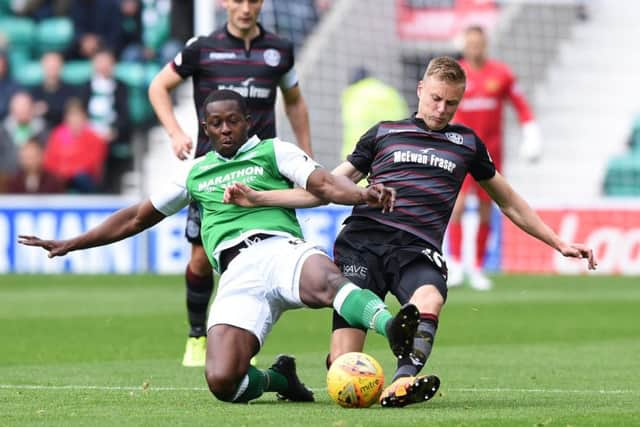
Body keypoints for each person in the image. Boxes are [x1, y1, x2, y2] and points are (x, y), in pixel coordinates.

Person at [223, 56, 597, 408]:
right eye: (436, 98)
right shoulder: (384, 134)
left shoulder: (466, 144)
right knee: (342, 364)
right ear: (420, 89)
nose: (441, 109)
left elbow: (510, 202)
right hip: (363, 247)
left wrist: (559, 242)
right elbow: (327, 188)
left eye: (451, 103)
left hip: (416, 251)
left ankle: (403, 380)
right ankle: (330, 361)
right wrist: (259, 198)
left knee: (429, 298)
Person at [19, 89, 420, 405]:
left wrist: (363, 194)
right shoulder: (194, 173)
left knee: (326, 280)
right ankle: (279, 378)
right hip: (236, 272)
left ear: (248, 121)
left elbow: (325, 185)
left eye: (232, 121)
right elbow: (136, 217)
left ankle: (393, 328)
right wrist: (72, 243)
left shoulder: (273, 151)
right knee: (223, 381)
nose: (225, 129)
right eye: (216, 123)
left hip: (280, 249)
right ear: (205, 129)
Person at [148, 0, 312, 367]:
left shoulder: (279, 51)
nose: (245, 8)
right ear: (225, 2)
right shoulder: (201, 48)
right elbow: (158, 87)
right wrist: (175, 132)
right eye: (238, 0)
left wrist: (306, 155)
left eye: (253, 0)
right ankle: (196, 336)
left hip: (260, 175)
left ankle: (239, 341)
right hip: (212, 173)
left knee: (253, 254)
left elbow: (295, 102)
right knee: (201, 259)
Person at [448, 25, 543, 290]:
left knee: (486, 209)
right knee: (455, 205)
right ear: (464, 46)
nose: (475, 48)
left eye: (479, 43)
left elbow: (521, 105)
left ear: (485, 44)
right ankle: (454, 263)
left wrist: (530, 131)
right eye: (471, 44)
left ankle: (477, 266)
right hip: (460, 149)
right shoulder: (455, 74)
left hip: (491, 152)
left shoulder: (501, 74)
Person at [341, 67, 408, 163]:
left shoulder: (354, 95)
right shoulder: (391, 93)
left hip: (360, 156)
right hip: (394, 153)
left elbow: (354, 131)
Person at [43, 98, 108, 193]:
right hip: (61, 177)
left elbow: (92, 164)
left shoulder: (94, 138)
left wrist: (69, 170)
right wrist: (62, 171)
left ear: (84, 117)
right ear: (66, 118)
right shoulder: (57, 134)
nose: (75, 118)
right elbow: (50, 161)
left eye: (78, 114)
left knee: (81, 178)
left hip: (84, 178)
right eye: (72, 115)